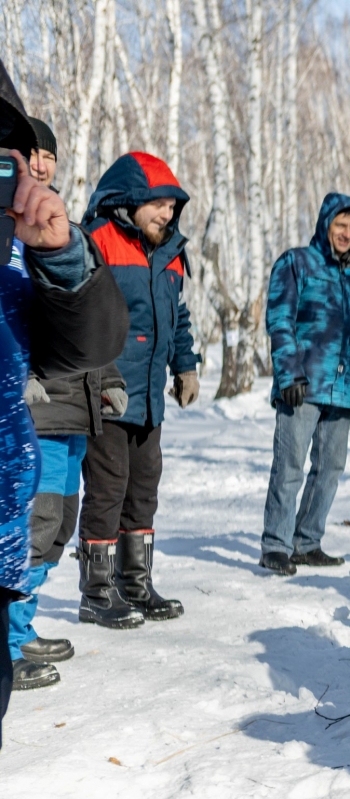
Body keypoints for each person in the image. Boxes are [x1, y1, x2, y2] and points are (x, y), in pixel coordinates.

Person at [0, 63, 132, 735]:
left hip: (70, 414)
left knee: (55, 523)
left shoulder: (36, 239)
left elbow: (87, 339)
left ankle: (15, 629)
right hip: (42, 417)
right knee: (42, 520)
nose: (34, 167)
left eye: (34, 156)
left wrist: (62, 256)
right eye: (24, 157)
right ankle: (14, 633)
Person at [81, 151, 200, 625]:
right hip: (107, 393)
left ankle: (135, 584)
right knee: (107, 489)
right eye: (158, 204)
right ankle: (96, 592)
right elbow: (80, 312)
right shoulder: (99, 239)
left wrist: (185, 367)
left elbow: (178, 316)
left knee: (144, 488)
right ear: (131, 200)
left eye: (172, 206)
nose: (166, 214)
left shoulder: (170, 253)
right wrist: (97, 378)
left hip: (149, 397)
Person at [259, 194, 350, 575]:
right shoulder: (297, 263)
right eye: (340, 225)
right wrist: (288, 373)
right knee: (290, 467)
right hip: (302, 385)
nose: (346, 233)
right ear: (325, 225)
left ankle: (307, 542)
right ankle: (276, 546)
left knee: (330, 469)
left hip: (343, 390)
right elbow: (279, 320)